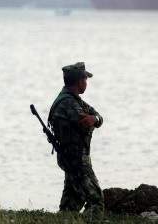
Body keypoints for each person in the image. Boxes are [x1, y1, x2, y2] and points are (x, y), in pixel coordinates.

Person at [47, 62, 105, 217]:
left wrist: (95, 118)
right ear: (79, 81)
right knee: (96, 201)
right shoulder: (69, 103)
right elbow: (86, 123)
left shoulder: (72, 99)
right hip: (77, 159)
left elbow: (97, 117)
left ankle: (63, 219)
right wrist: (93, 120)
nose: (86, 83)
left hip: (71, 157)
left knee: (71, 204)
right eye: (85, 79)